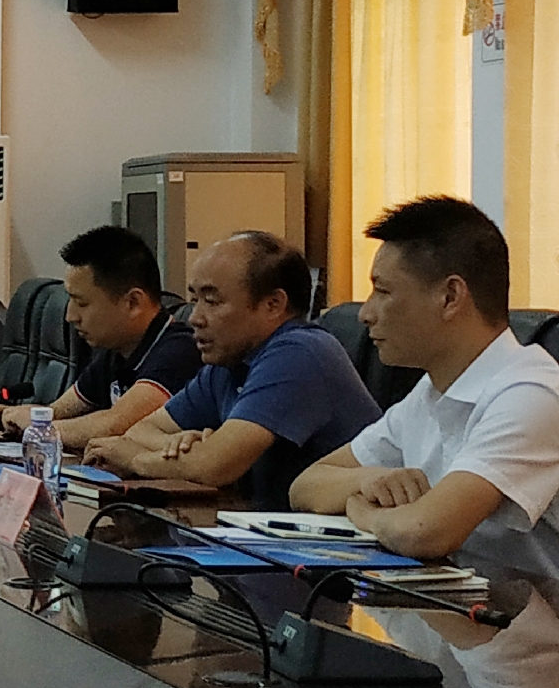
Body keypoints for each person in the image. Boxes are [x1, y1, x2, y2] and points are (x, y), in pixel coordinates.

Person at [291, 197, 559, 566]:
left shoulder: (532, 394)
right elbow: (305, 486)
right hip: (453, 595)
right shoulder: (431, 392)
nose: (366, 313)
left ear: (450, 297)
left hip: (528, 601)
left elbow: (425, 532)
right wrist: (368, 481)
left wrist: (363, 512)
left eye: (383, 291)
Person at [81, 231, 379, 508]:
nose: (195, 318)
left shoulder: (300, 353)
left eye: (212, 301)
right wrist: (176, 445)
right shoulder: (230, 360)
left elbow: (213, 467)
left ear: (273, 304)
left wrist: (136, 460)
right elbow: (142, 430)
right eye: (194, 300)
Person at [0, 226, 200, 450]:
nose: (70, 316)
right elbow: (56, 413)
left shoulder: (180, 351)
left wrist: (37, 429)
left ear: (133, 303)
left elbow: (115, 426)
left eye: (82, 303)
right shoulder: (116, 351)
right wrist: (0, 415)